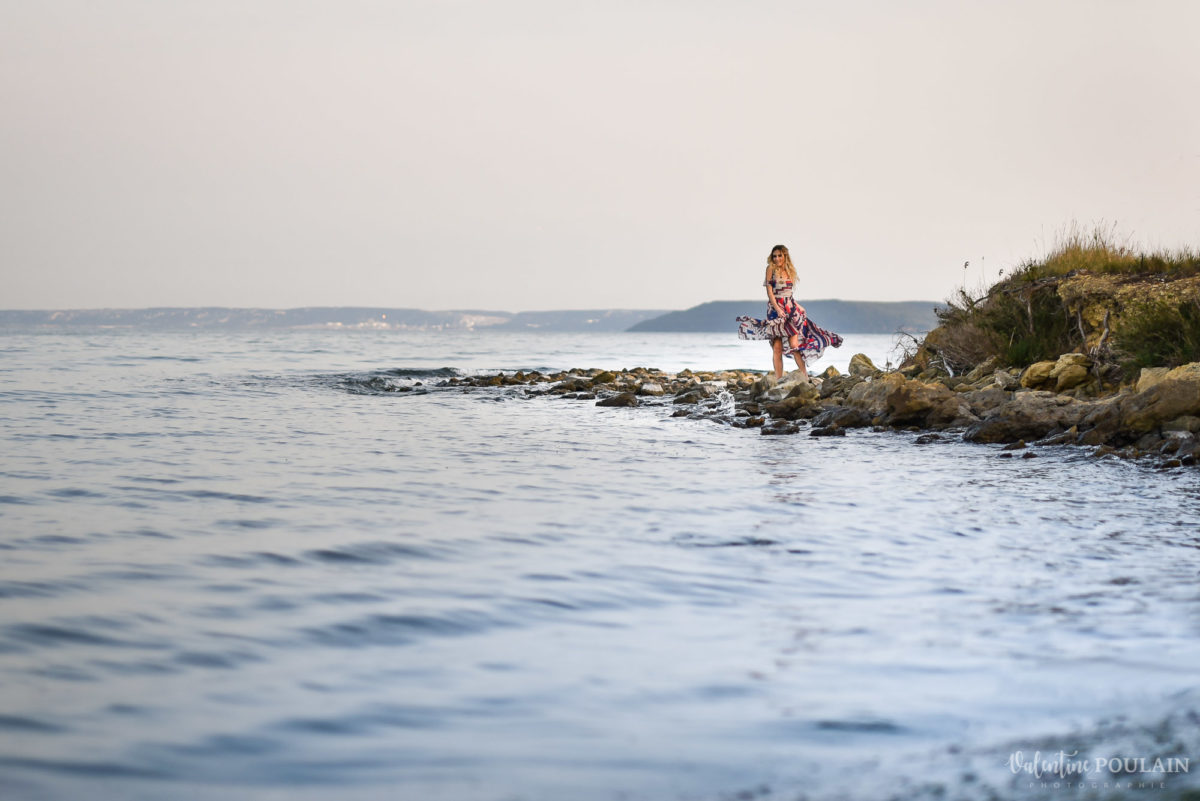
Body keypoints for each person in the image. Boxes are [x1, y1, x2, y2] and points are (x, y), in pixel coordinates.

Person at [736, 244, 843, 379]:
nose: (776, 258)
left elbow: (788, 294)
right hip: (775, 310)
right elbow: (770, 292)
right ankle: (779, 379)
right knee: (777, 347)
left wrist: (798, 306)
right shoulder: (770, 269)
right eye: (774, 256)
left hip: (791, 310)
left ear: (785, 256)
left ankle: (805, 378)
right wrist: (777, 309)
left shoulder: (790, 271)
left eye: (779, 255)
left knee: (794, 346)